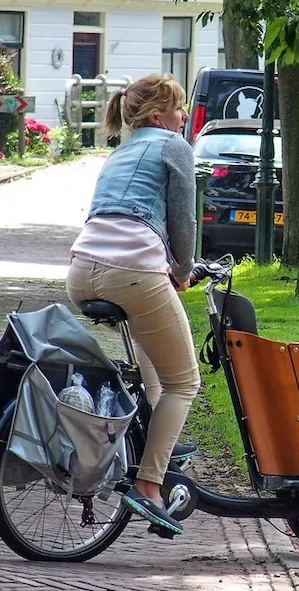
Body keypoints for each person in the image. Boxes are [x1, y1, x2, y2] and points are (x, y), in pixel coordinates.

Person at [66, 73, 199, 537]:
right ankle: (149, 485)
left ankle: (155, 441)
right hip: (133, 272)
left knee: (153, 365)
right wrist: (183, 271)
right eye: (180, 109)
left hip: (81, 271)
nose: (184, 117)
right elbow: (185, 220)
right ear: (159, 116)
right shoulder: (172, 146)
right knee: (185, 382)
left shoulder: (118, 151)